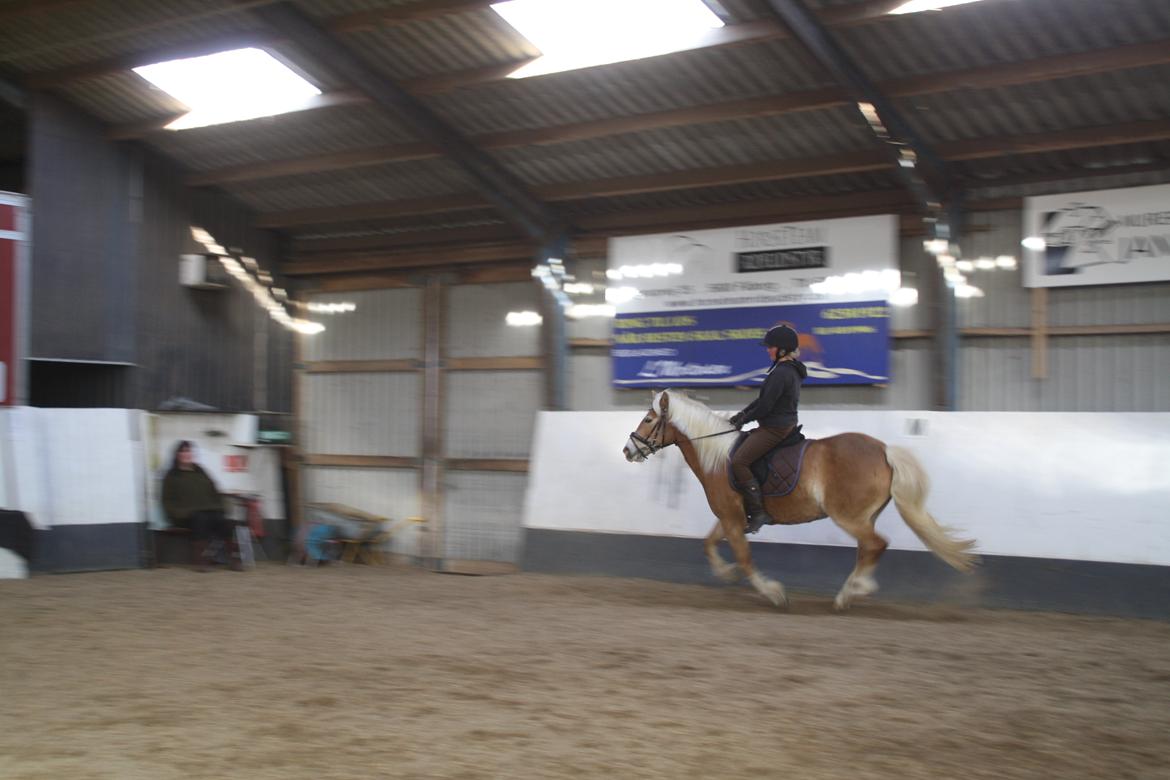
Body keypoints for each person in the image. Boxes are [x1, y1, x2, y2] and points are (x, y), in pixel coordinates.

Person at [728, 324, 808, 535]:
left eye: (771, 347)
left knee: (739, 461)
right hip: (781, 424)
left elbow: (765, 407)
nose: (768, 350)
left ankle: (758, 512)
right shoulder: (786, 370)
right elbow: (762, 400)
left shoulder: (782, 372)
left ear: (782, 349)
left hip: (775, 428)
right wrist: (741, 415)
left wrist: (743, 421)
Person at [161, 440, 240, 571]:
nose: (186, 454)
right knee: (200, 519)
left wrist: (220, 507)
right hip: (185, 515)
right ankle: (201, 561)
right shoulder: (171, 476)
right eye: (183, 451)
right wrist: (178, 513)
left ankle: (234, 560)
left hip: (209, 510)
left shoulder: (201, 471)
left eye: (188, 451)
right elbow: (167, 500)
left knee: (225, 521)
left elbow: (215, 490)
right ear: (177, 454)